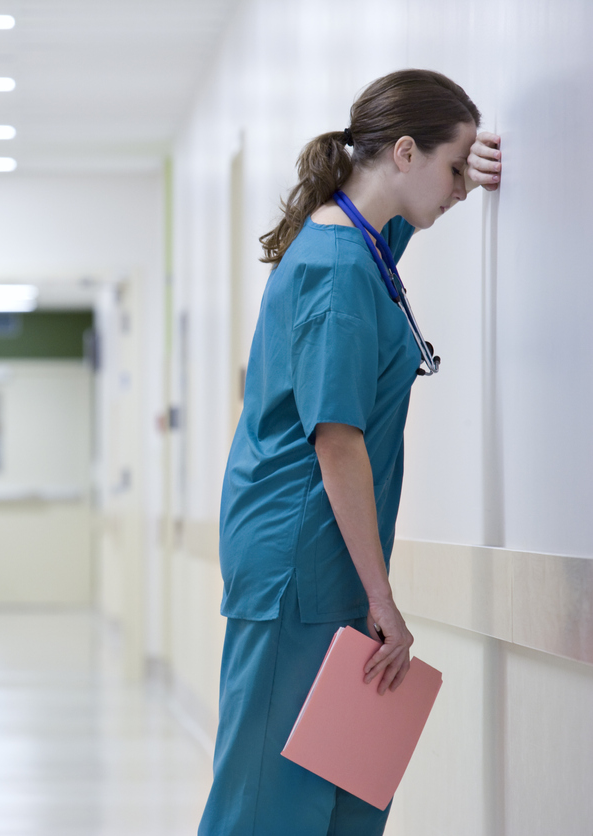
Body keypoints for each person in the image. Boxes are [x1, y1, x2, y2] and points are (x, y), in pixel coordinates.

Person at [198, 69, 503, 836]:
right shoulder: (337, 271)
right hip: (299, 571)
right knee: (265, 807)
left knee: (347, 793)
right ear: (403, 152)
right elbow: (337, 444)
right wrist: (383, 600)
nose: (463, 185)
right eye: (454, 165)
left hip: (323, 564)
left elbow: (403, 218)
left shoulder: (359, 244)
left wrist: (478, 159)